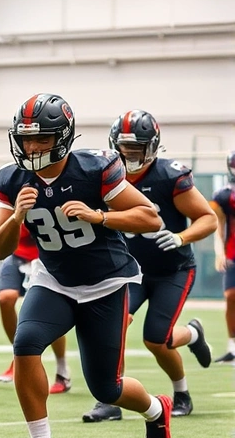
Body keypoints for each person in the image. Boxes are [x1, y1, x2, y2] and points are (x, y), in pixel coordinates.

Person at [0, 93, 172, 438]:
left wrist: (99, 215)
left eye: (41, 138)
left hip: (106, 283)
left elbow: (150, 218)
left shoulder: (94, 168)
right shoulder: (11, 179)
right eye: (26, 139)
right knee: (25, 343)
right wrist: (17, 217)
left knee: (107, 388)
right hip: (53, 279)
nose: (32, 147)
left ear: (63, 136)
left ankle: (156, 410)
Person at [80, 111, 216, 422]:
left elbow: (207, 218)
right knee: (114, 325)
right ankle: (110, 398)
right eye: (123, 149)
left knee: (157, 338)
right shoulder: (105, 173)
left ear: (152, 147)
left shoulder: (169, 176)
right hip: (131, 271)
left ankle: (182, 390)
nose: (127, 155)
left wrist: (181, 238)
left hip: (173, 270)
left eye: (135, 149)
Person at [0, 220, 70, 389]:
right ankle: (18, 357)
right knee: (5, 298)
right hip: (17, 254)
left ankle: (62, 369)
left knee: (50, 310)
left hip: (46, 255)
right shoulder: (13, 194)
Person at [209, 150, 235, 364]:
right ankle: (233, 348)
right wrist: (220, 252)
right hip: (233, 252)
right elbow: (219, 226)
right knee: (230, 297)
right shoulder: (224, 195)